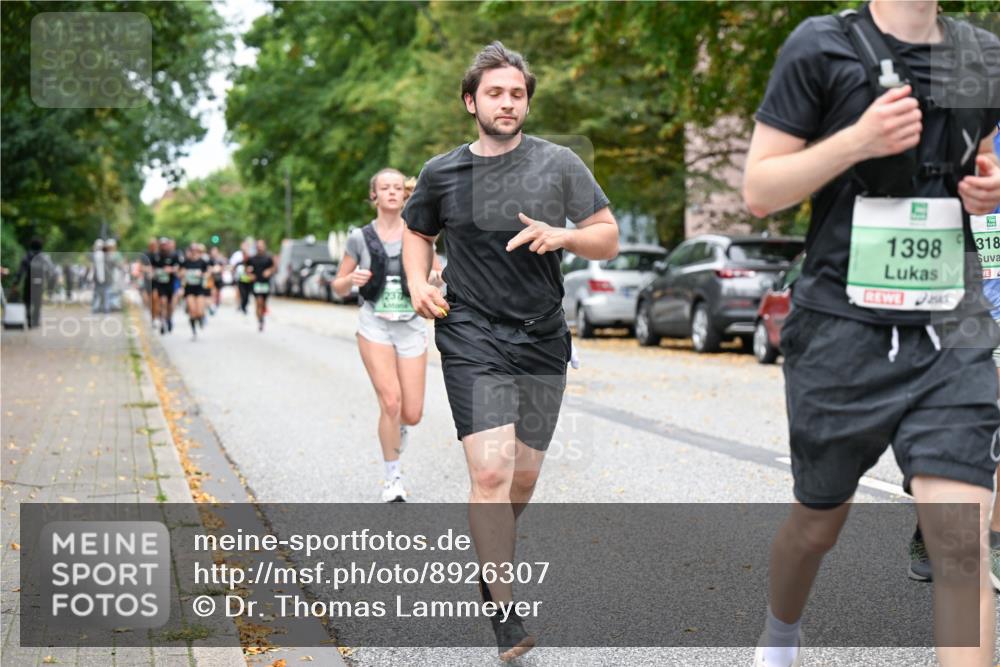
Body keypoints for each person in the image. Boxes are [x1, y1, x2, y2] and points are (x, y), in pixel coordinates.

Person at [742, 2, 1000, 665]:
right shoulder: (820, 47)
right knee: (816, 525)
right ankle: (780, 636)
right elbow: (760, 190)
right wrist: (855, 141)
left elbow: (982, 155)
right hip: (841, 327)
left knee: (961, 545)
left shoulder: (980, 54)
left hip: (951, 324)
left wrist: (986, 185)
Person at [402, 42, 618, 661]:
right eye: (495, 93)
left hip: (543, 334)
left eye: (517, 93)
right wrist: (418, 282)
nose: (508, 102)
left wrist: (566, 235)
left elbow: (608, 238)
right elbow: (419, 232)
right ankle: (503, 602)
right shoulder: (442, 172)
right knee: (491, 472)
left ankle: (488, 557)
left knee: (522, 478)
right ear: (471, 102)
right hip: (471, 331)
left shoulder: (560, 164)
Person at [332, 168, 444, 503]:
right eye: (385, 187)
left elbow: (437, 274)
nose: (393, 192)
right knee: (390, 402)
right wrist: (350, 280)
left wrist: (436, 280)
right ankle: (392, 478)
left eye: (398, 187)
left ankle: (400, 428)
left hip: (410, 325)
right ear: (374, 196)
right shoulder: (359, 237)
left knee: (411, 413)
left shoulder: (420, 234)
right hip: (374, 325)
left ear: (406, 195)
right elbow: (337, 286)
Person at [14, 238, 52, 328]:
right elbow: (49, 270)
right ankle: (35, 321)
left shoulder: (27, 256)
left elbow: (20, 271)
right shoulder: (44, 257)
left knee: (27, 301)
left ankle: (29, 319)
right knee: (37, 302)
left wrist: (15, 283)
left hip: (29, 281)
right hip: (39, 282)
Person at [150, 237, 181, 334]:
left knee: (170, 304)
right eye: (162, 245)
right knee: (162, 302)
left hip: (171, 283)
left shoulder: (174, 255)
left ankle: (169, 318)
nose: (163, 247)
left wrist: (171, 269)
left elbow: (179, 267)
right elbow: (151, 268)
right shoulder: (156, 256)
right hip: (160, 284)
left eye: (165, 245)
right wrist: (154, 272)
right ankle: (162, 322)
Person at [180, 243, 210, 340]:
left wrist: (202, 274)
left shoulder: (202, 262)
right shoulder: (186, 262)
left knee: (200, 312)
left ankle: (201, 318)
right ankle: (194, 332)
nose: (194, 252)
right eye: (192, 250)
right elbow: (179, 273)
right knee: (192, 311)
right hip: (189, 289)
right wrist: (183, 273)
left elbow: (208, 273)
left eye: (196, 250)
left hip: (200, 288)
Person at [244, 239, 274, 331]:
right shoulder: (252, 258)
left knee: (263, 303)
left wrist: (269, 271)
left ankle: (262, 316)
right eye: (258, 246)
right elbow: (246, 268)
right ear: (256, 247)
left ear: (264, 246)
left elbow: (273, 267)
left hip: (265, 283)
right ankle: (260, 320)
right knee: (258, 302)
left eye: (261, 246)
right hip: (256, 283)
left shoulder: (268, 258)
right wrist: (249, 274)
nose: (260, 247)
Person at [230, 240, 253, 314]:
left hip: (249, 278)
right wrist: (233, 274)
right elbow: (233, 266)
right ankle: (239, 304)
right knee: (240, 291)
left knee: (247, 293)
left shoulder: (251, 255)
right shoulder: (237, 255)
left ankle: (244, 304)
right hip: (239, 277)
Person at [208, 245, 226, 314]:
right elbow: (208, 268)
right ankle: (213, 305)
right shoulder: (210, 260)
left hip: (219, 278)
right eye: (213, 251)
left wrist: (219, 269)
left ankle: (217, 303)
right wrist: (212, 270)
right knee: (213, 292)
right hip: (212, 279)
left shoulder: (220, 259)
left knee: (218, 292)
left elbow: (223, 268)